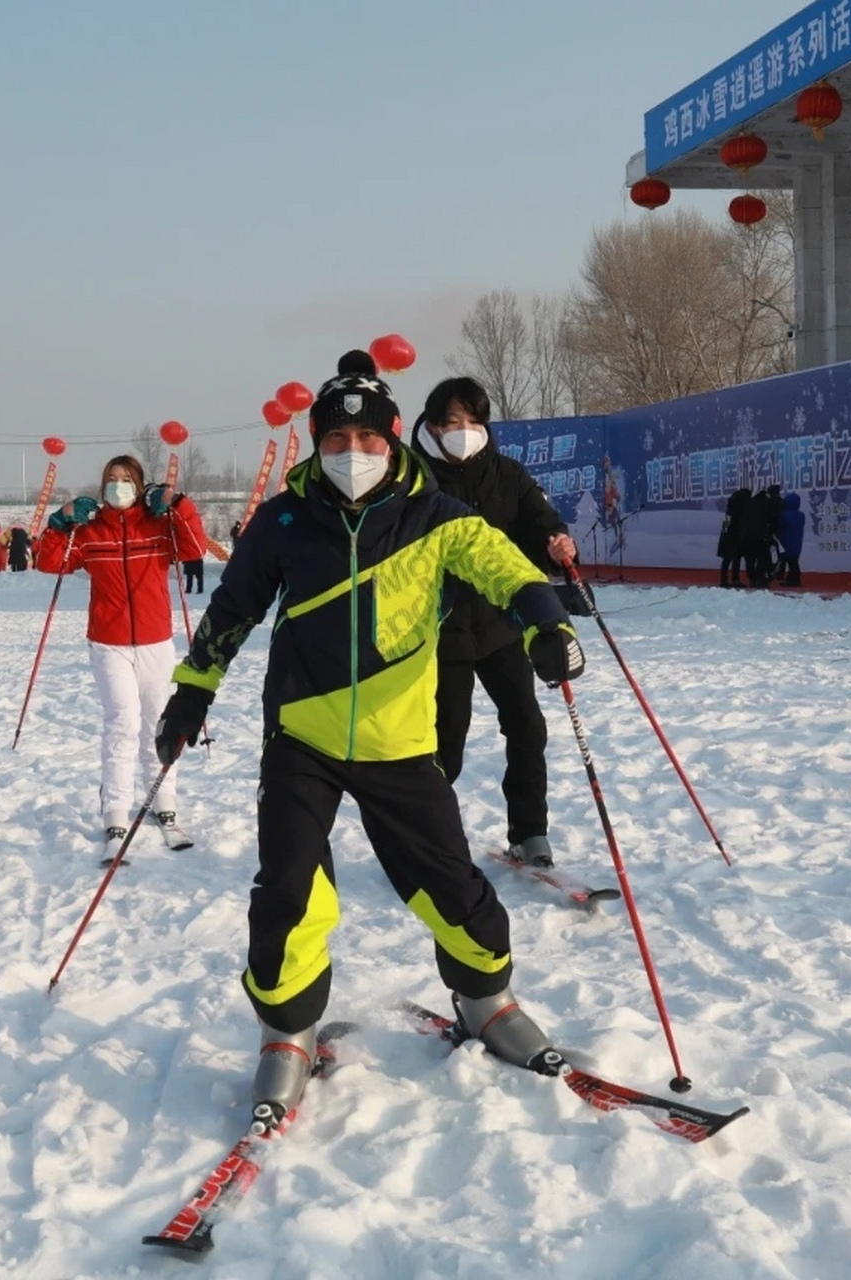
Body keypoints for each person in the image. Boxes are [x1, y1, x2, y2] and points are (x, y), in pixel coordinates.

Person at [153, 352, 586, 1128]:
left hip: (398, 742)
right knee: (287, 891)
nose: (353, 454)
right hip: (302, 737)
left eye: (369, 439)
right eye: (336, 439)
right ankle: (287, 1032)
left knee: (454, 888)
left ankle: (485, 998)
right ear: (316, 445)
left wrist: (545, 624)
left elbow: (504, 567)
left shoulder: (438, 516)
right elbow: (235, 606)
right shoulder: (285, 517)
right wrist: (192, 690)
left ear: (395, 441)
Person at [410, 375, 577, 870]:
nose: (465, 430)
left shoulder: (507, 473)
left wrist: (557, 541)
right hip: (442, 633)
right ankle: (425, 838)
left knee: (527, 726)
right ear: (434, 426)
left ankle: (530, 833)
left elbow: (541, 521)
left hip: (503, 627)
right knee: (446, 741)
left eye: (474, 421)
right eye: (454, 422)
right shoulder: (414, 479)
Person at [35, 456, 207, 858]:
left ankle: (164, 804)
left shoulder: (157, 526)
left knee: (157, 724)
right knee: (123, 723)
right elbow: (49, 562)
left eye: (126, 480)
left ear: (140, 486)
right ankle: (115, 811)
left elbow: (196, 548)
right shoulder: (92, 531)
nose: (118, 487)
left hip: (154, 642)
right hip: (109, 643)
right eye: (111, 480)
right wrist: (59, 522)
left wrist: (177, 503)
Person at [717, 488, 751, 587]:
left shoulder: (731, 507)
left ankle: (724, 580)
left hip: (728, 535)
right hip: (737, 535)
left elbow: (727, 523)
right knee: (736, 558)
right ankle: (734, 579)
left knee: (727, 559)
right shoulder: (742, 509)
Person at [774, 491, 805, 586]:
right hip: (797, 540)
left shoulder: (784, 515)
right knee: (794, 560)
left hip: (786, 540)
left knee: (791, 561)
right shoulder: (801, 515)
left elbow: (779, 526)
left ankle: (795, 580)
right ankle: (792, 578)